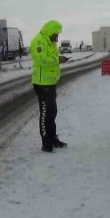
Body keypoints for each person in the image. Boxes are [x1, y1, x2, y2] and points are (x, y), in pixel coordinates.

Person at [30, 20, 69, 153]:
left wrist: (59, 58)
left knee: (52, 113)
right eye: (56, 34)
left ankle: (53, 139)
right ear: (50, 31)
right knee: (45, 114)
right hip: (42, 84)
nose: (57, 37)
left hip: (50, 83)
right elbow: (42, 60)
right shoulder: (38, 42)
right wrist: (58, 60)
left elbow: (52, 58)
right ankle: (46, 144)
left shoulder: (51, 43)